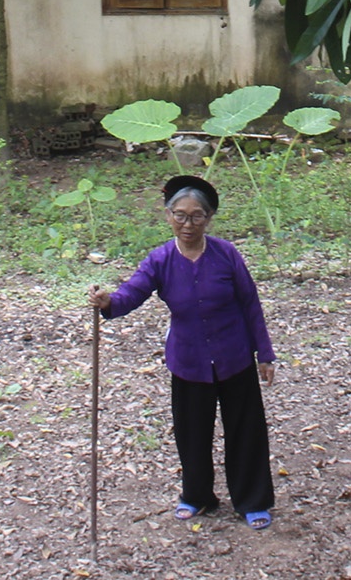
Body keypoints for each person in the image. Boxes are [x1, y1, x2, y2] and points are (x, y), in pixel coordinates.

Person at [88, 175, 278, 528]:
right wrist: (109, 302)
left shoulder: (226, 254)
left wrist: (264, 354)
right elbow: (133, 292)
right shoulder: (160, 260)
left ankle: (252, 500)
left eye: (196, 216)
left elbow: (250, 304)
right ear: (167, 216)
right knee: (192, 432)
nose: (187, 224)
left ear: (209, 218)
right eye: (179, 215)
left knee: (246, 430)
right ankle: (196, 496)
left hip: (234, 357)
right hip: (188, 361)